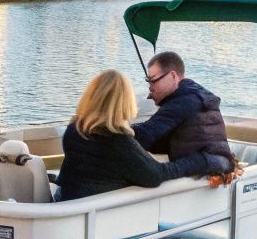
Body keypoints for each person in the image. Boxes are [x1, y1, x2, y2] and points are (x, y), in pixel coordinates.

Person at [56, 70, 198, 201]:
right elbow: (155, 175)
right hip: (102, 215)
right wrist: (195, 162)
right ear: (125, 101)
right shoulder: (116, 141)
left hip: (69, 200)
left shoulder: (75, 129)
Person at [132, 50, 241, 184]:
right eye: (148, 82)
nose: (150, 88)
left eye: (153, 81)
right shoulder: (190, 95)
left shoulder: (185, 100)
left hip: (209, 161)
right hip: (215, 160)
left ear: (173, 76)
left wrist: (113, 132)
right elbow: (155, 139)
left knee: (158, 173)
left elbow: (146, 135)